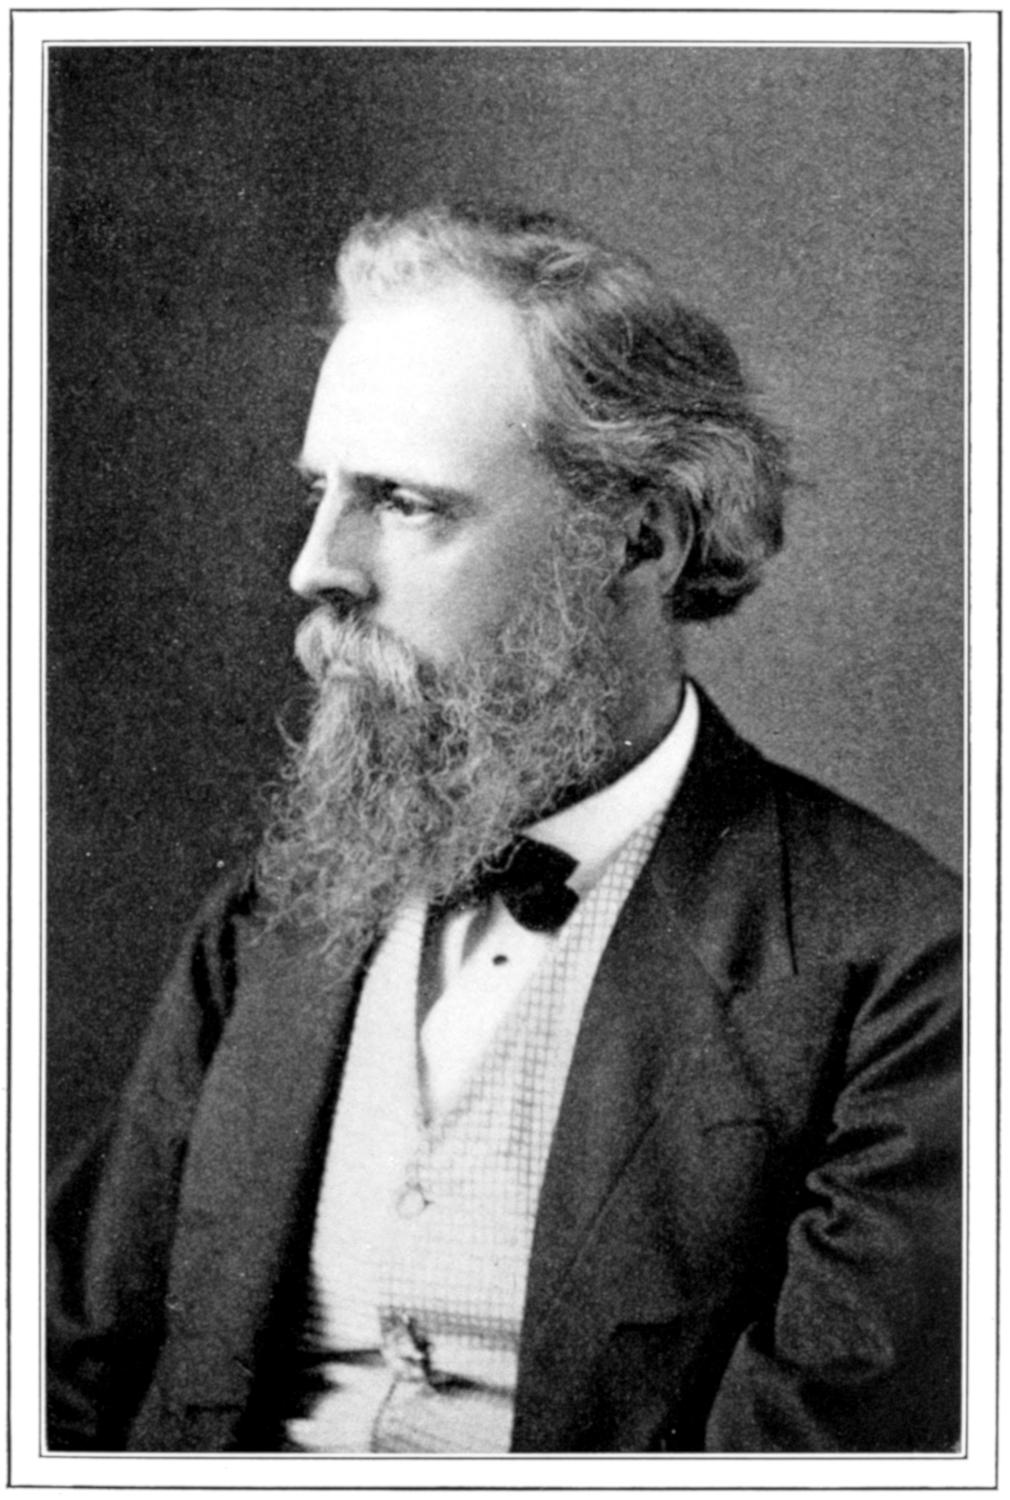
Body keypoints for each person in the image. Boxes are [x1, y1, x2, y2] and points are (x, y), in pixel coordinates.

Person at [47, 204, 961, 1455]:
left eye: (404, 502)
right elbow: (65, 1374)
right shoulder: (271, 918)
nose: (316, 567)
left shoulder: (903, 972)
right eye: (322, 492)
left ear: (639, 539)